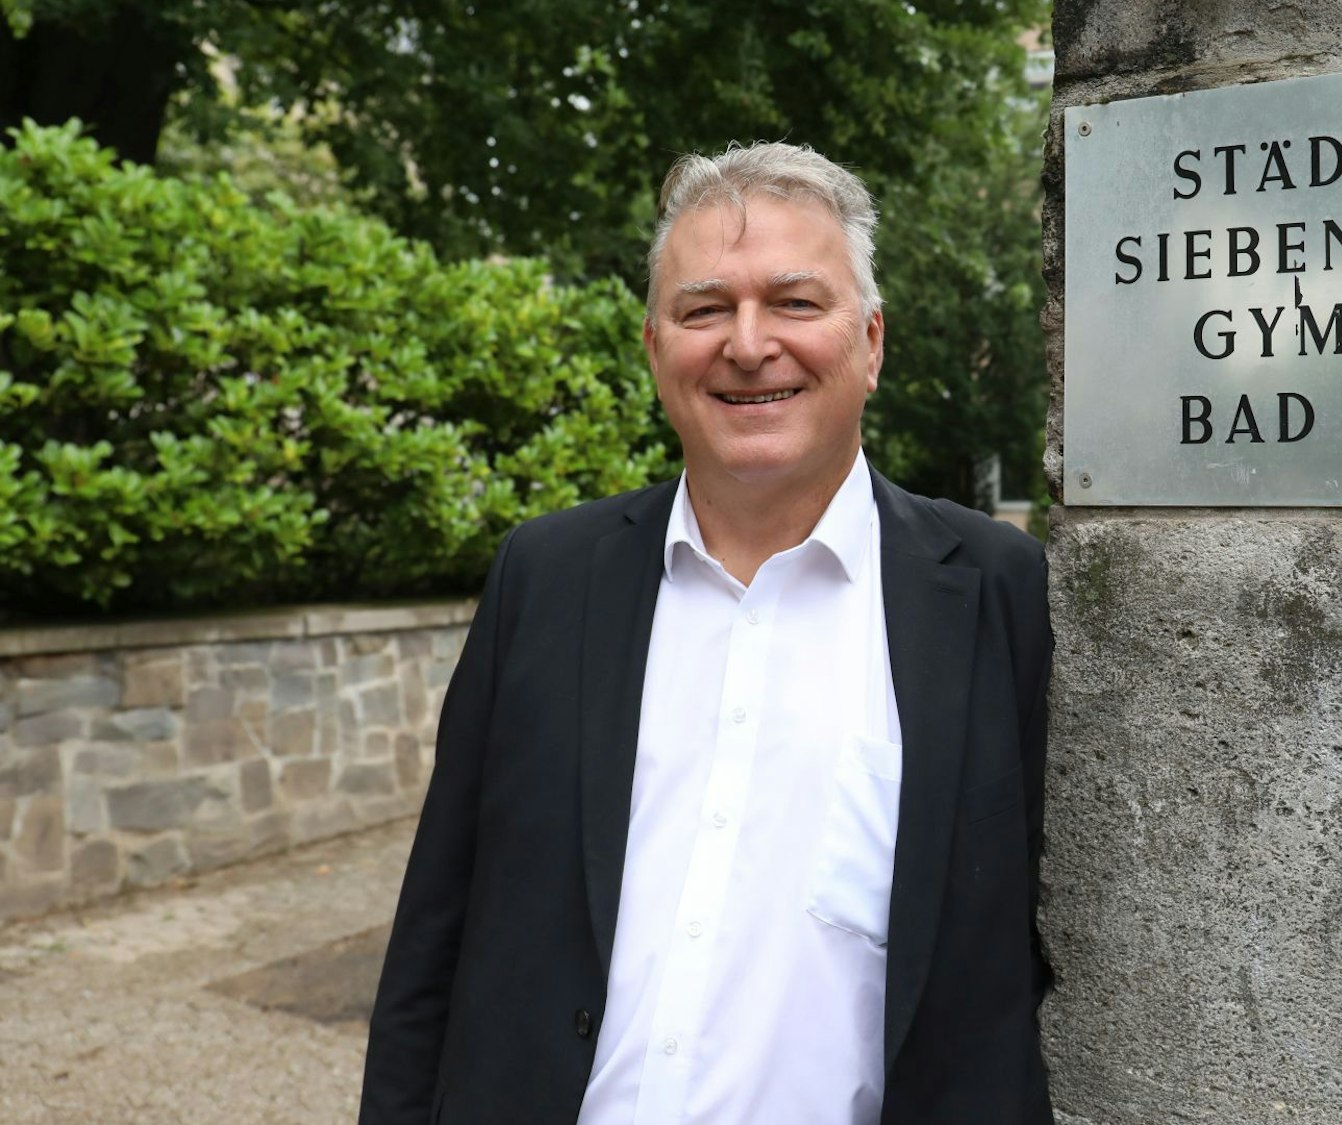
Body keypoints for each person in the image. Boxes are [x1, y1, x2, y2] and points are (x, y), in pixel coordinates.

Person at [358, 142, 1053, 1125]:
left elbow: (1024, 955)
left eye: (794, 302)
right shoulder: (545, 578)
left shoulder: (997, 593)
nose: (746, 342)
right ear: (654, 349)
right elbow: (435, 933)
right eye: (703, 309)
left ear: (872, 342)